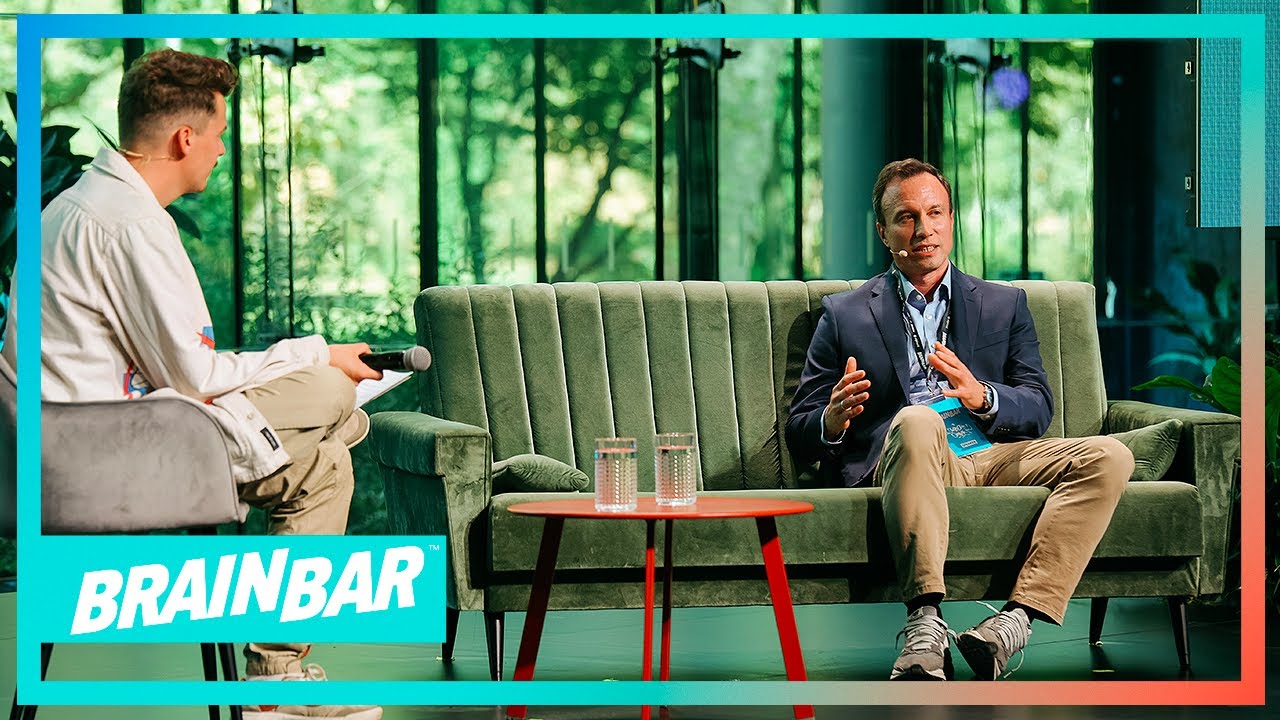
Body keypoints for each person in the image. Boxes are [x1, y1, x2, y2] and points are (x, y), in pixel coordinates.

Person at [40, 49, 383, 719]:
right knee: (331, 396)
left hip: (83, 443)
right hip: (116, 456)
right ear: (184, 138)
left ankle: (274, 687)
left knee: (325, 461)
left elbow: (173, 370)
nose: (222, 150)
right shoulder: (131, 223)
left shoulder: (73, 206)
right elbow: (194, 377)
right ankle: (274, 685)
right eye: (220, 134)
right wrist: (315, 354)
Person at [786, 158, 1134, 681]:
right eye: (906, 217)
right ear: (883, 231)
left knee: (1111, 455)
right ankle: (925, 623)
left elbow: (1038, 405)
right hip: (907, 456)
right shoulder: (845, 313)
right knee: (918, 420)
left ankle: (1011, 625)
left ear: (951, 220)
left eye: (934, 213)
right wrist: (832, 420)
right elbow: (800, 429)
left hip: (989, 453)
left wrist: (983, 396)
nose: (923, 229)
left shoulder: (1003, 305)